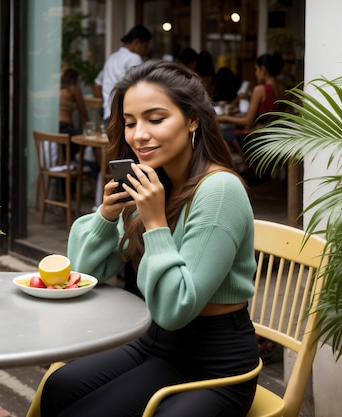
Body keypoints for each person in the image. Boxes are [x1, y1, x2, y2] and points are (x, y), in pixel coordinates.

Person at [40, 59, 259, 417]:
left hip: (216, 365)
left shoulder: (219, 190)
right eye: (130, 122)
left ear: (192, 119)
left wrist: (156, 223)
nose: (139, 134)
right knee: (57, 389)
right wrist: (105, 218)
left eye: (155, 119)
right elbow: (80, 273)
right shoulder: (157, 182)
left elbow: (176, 309)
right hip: (155, 343)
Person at [217, 52, 284, 138]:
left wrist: (224, 118)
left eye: (256, 69)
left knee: (222, 133)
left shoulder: (260, 89)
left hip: (257, 136)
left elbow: (248, 121)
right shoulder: (281, 87)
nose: (255, 73)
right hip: (272, 135)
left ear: (263, 70)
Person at [93, 25, 152, 121]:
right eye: (145, 47)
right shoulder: (134, 58)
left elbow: (97, 85)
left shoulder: (112, 58)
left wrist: (103, 106)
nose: (145, 51)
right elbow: (139, 86)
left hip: (108, 113)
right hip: (125, 114)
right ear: (137, 42)